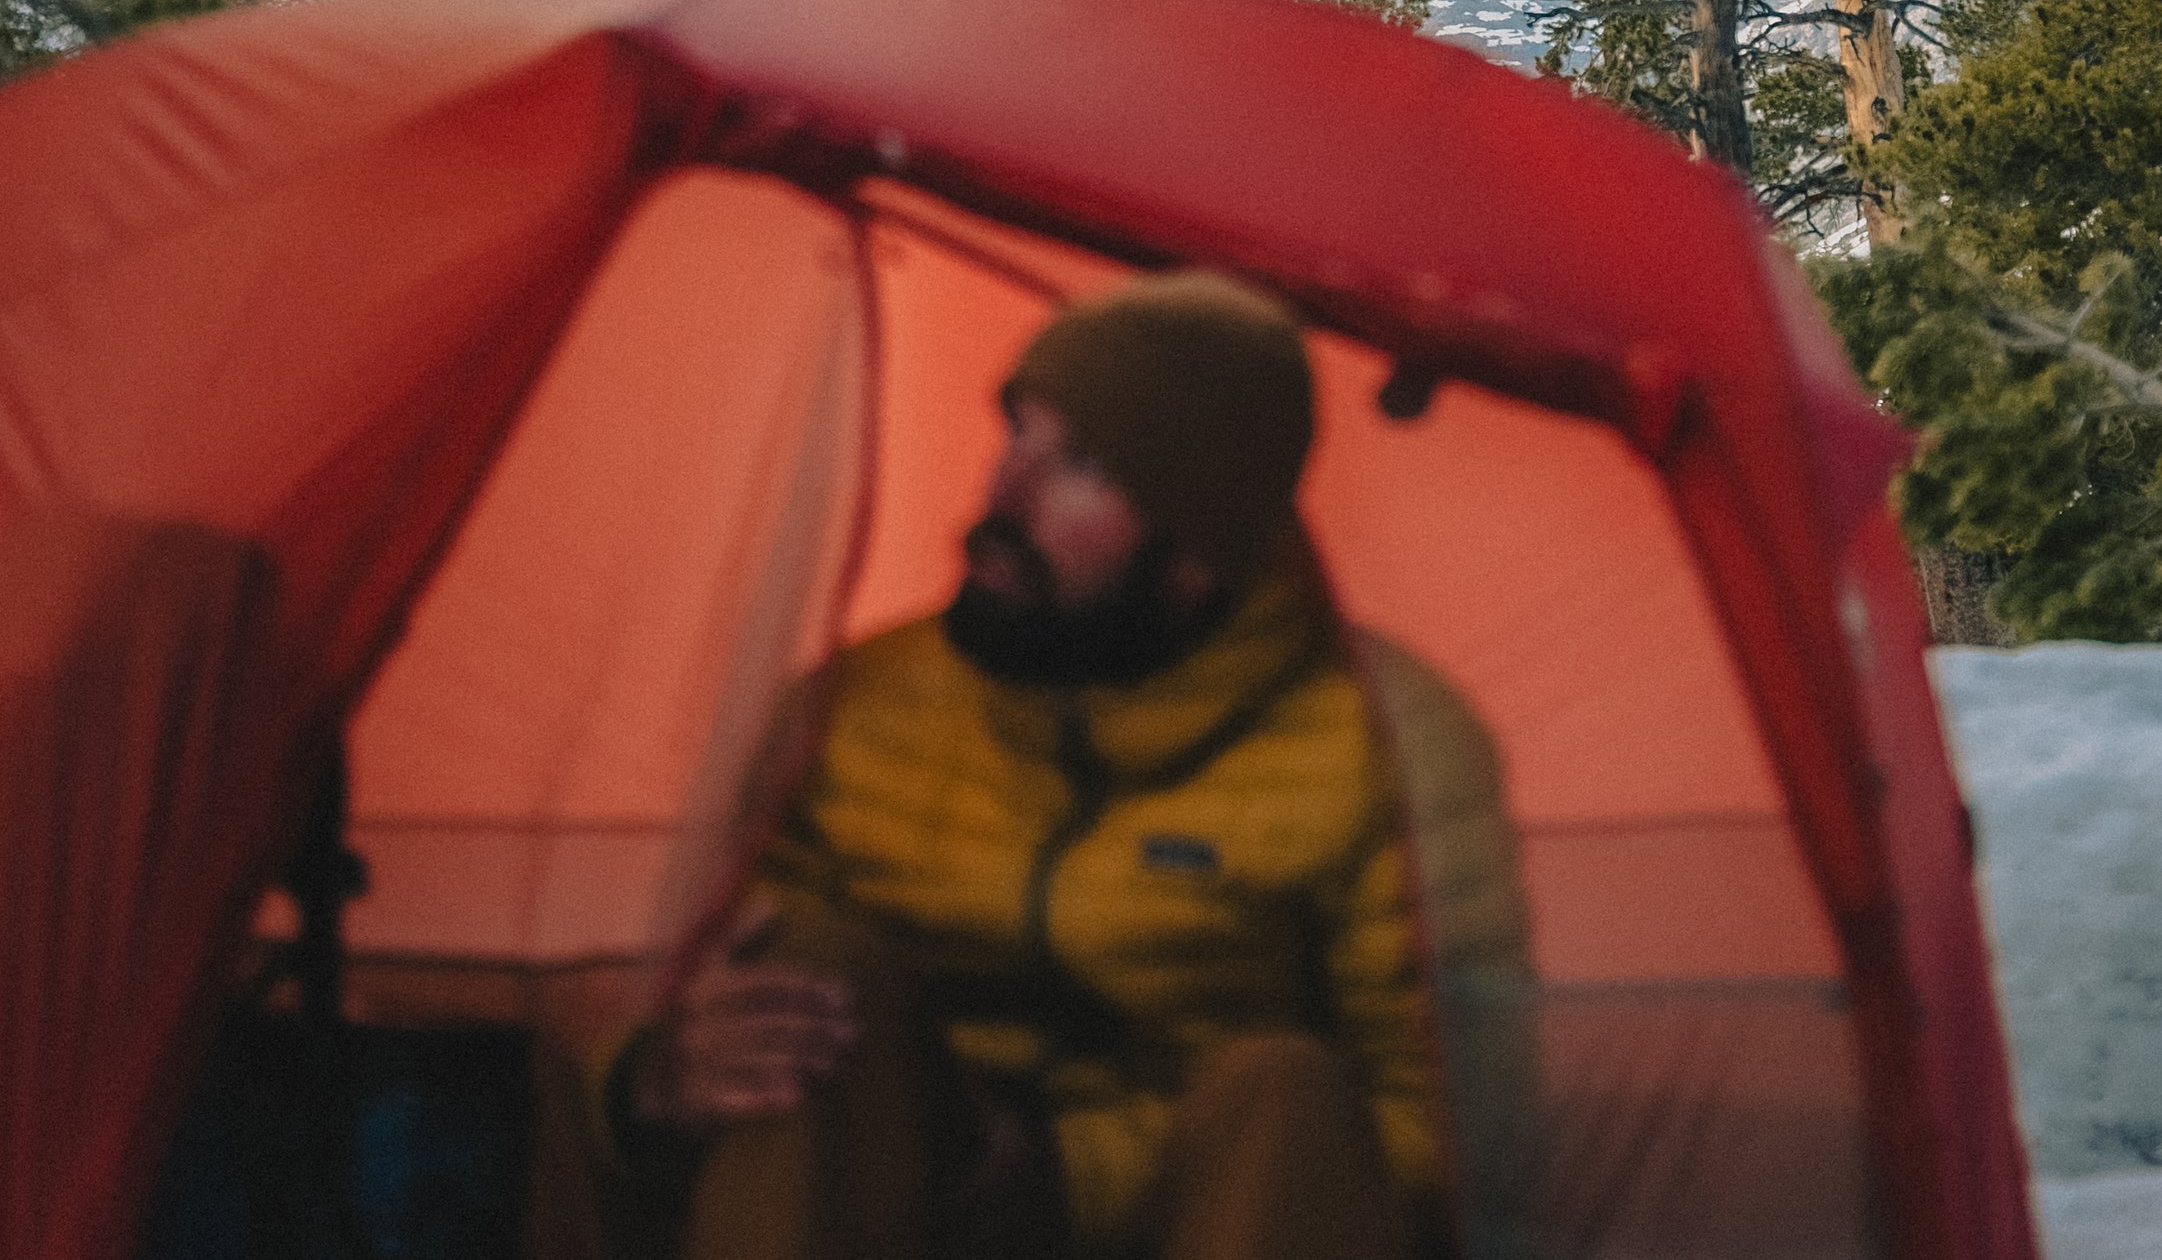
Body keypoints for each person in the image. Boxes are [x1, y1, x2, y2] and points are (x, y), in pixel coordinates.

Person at [599, 271, 1525, 1260]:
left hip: (1202, 1221)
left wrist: (1059, 1173)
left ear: (1196, 553)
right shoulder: (857, 707)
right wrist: (652, 1082)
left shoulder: (1384, 745)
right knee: (804, 985)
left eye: (1081, 462)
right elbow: (702, 985)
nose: (1003, 492)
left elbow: (1456, 1148)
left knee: (1283, 1092)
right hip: (906, 1204)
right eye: (1016, 434)